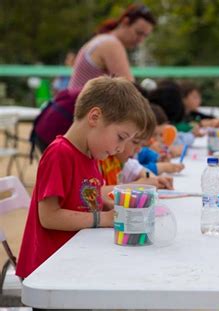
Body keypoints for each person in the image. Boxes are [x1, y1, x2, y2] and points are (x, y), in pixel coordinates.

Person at [16, 76, 152, 279]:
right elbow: (49, 217)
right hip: (48, 272)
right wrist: (103, 219)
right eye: (121, 137)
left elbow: (85, 200)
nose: (121, 148)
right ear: (95, 117)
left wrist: (116, 208)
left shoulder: (92, 155)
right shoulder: (60, 154)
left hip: (74, 259)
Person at [68, 4, 156, 89]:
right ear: (125, 22)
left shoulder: (102, 39)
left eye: (145, 36)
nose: (141, 40)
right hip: (83, 103)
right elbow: (130, 91)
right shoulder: (111, 44)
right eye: (139, 33)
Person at [99, 106, 173, 189]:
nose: (139, 149)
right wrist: (138, 184)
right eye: (135, 142)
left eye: (142, 144)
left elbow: (137, 168)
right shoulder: (101, 157)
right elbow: (101, 194)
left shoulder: (119, 159)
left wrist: (154, 179)